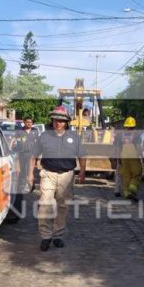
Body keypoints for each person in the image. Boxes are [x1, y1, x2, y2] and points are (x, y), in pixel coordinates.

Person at [27, 106, 87, 251]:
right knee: (45, 204)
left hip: (67, 175)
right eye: (55, 120)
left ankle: (58, 235)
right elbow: (33, 156)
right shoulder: (44, 136)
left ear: (66, 122)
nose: (58, 123)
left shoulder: (74, 137)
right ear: (52, 120)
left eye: (61, 121)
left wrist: (83, 172)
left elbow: (82, 156)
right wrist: (30, 174)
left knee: (63, 206)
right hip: (48, 173)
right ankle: (46, 237)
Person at [116, 116, 142, 202]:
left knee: (126, 175)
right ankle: (132, 188)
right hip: (133, 156)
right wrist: (140, 157)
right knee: (137, 173)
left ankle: (127, 193)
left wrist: (118, 158)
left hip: (123, 156)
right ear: (134, 126)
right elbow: (138, 147)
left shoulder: (120, 135)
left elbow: (118, 148)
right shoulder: (137, 135)